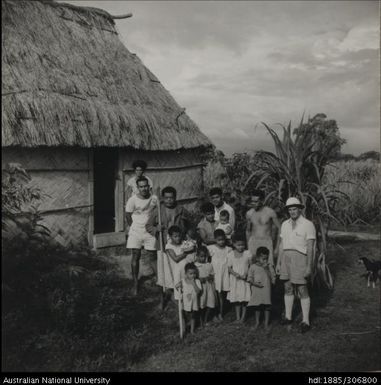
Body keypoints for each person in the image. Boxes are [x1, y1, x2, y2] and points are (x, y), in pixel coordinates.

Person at [276, 197, 316, 333]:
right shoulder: (284, 224)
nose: (292, 212)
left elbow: (310, 247)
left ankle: (306, 321)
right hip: (286, 257)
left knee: (302, 289)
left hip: (300, 258)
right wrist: (278, 262)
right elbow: (282, 245)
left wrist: (309, 266)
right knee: (287, 287)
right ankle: (288, 316)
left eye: (294, 209)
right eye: (290, 209)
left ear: (300, 209)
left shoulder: (308, 224)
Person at [125, 176, 158, 296]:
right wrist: (133, 227)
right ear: (137, 188)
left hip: (150, 231)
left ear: (149, 187)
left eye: (145, 186)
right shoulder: (132, 200)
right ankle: (135, 283)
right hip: (136, 231)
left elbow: (158, 212)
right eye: (141, 186)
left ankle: (160, 282)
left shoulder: (154, 199)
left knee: (153, 256)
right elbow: (128, 215)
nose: (144, 188)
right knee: (135, 256)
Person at [158, 225, 195, 310]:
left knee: (189, 288)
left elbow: (192, 247)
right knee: (179, 289)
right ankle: (181, 309)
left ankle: (190, 307)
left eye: (179, 236)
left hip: (187, 270)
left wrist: (190, 249)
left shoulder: (184, 242)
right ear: (170, 237)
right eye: (175, 236)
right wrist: (186, 253)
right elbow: (176, 258)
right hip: (178, 271)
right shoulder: (169, 246)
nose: (178, 238)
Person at [245, 189, 281, 271]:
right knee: (253, 268)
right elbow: (248, 230)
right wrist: (248, 247)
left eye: (256, 201)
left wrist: (277, 247)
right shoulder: (249, 213)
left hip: (266, 242)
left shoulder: (270, 212)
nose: (253, 204)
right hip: (253, 242)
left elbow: (280, 229)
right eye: (252, 201)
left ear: (262, 200)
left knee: (268, 269)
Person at [247, 247, 276, 331]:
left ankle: (266, 324)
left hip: (266, 289)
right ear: (257, 258)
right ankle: (257, 322)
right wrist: (254, 283)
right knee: (257, 306)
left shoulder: (269, 266)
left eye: (266, 259)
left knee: (267, 306)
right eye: (263, 259)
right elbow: (249, 278)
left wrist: (266, 268)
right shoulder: (253, 267)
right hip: (257, 289)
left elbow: (273, 277)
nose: (265, 261)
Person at [227, 234, 252, 323]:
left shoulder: (247, 253)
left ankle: (243, 317)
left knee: (244, 299)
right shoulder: (230, 254)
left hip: (244, 280)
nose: (241, 247)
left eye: (242, 245)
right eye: (238, 245)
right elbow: (229, 268)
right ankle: (238, 317)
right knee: (237, 299)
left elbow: (250, 265)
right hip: (235, 280)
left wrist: (246, 273)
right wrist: (235, 274)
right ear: (234, 244)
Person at [207, 230, 232, 320]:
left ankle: (220, 313)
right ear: (215, 239)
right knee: (214, 295)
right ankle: (214, 314)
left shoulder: (228, 249)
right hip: (215, 274)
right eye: (219, 240)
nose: (221, 242)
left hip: (224, 275)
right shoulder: (211, 248)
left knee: (221, 295)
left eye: (223, 240)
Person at [176, 262, 202, 335]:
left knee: (193, 316)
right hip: (185, 302)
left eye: (194, 273)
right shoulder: (183, 281)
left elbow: (198, 291)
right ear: (186, 274)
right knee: (185, 315)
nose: (193, 275)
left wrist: (193, 283)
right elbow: (177, 287)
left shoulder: (197, 281)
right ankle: (184, 328)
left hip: (193, 302)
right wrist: (177, 285)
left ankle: (192, 330)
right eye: (190, 274)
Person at [195, 246, 217, 326]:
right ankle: (201, 321)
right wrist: (199, 279)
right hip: (201, 288)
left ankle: (206, 320)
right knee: (201, 304)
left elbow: (212, 275)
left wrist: (209, 277)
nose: (203, 258)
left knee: (210, 303)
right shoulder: (195, 266)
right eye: (201, 256)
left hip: (209, 287)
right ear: (197, 256)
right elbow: (193, 277)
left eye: (205, 256)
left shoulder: (209, 265)